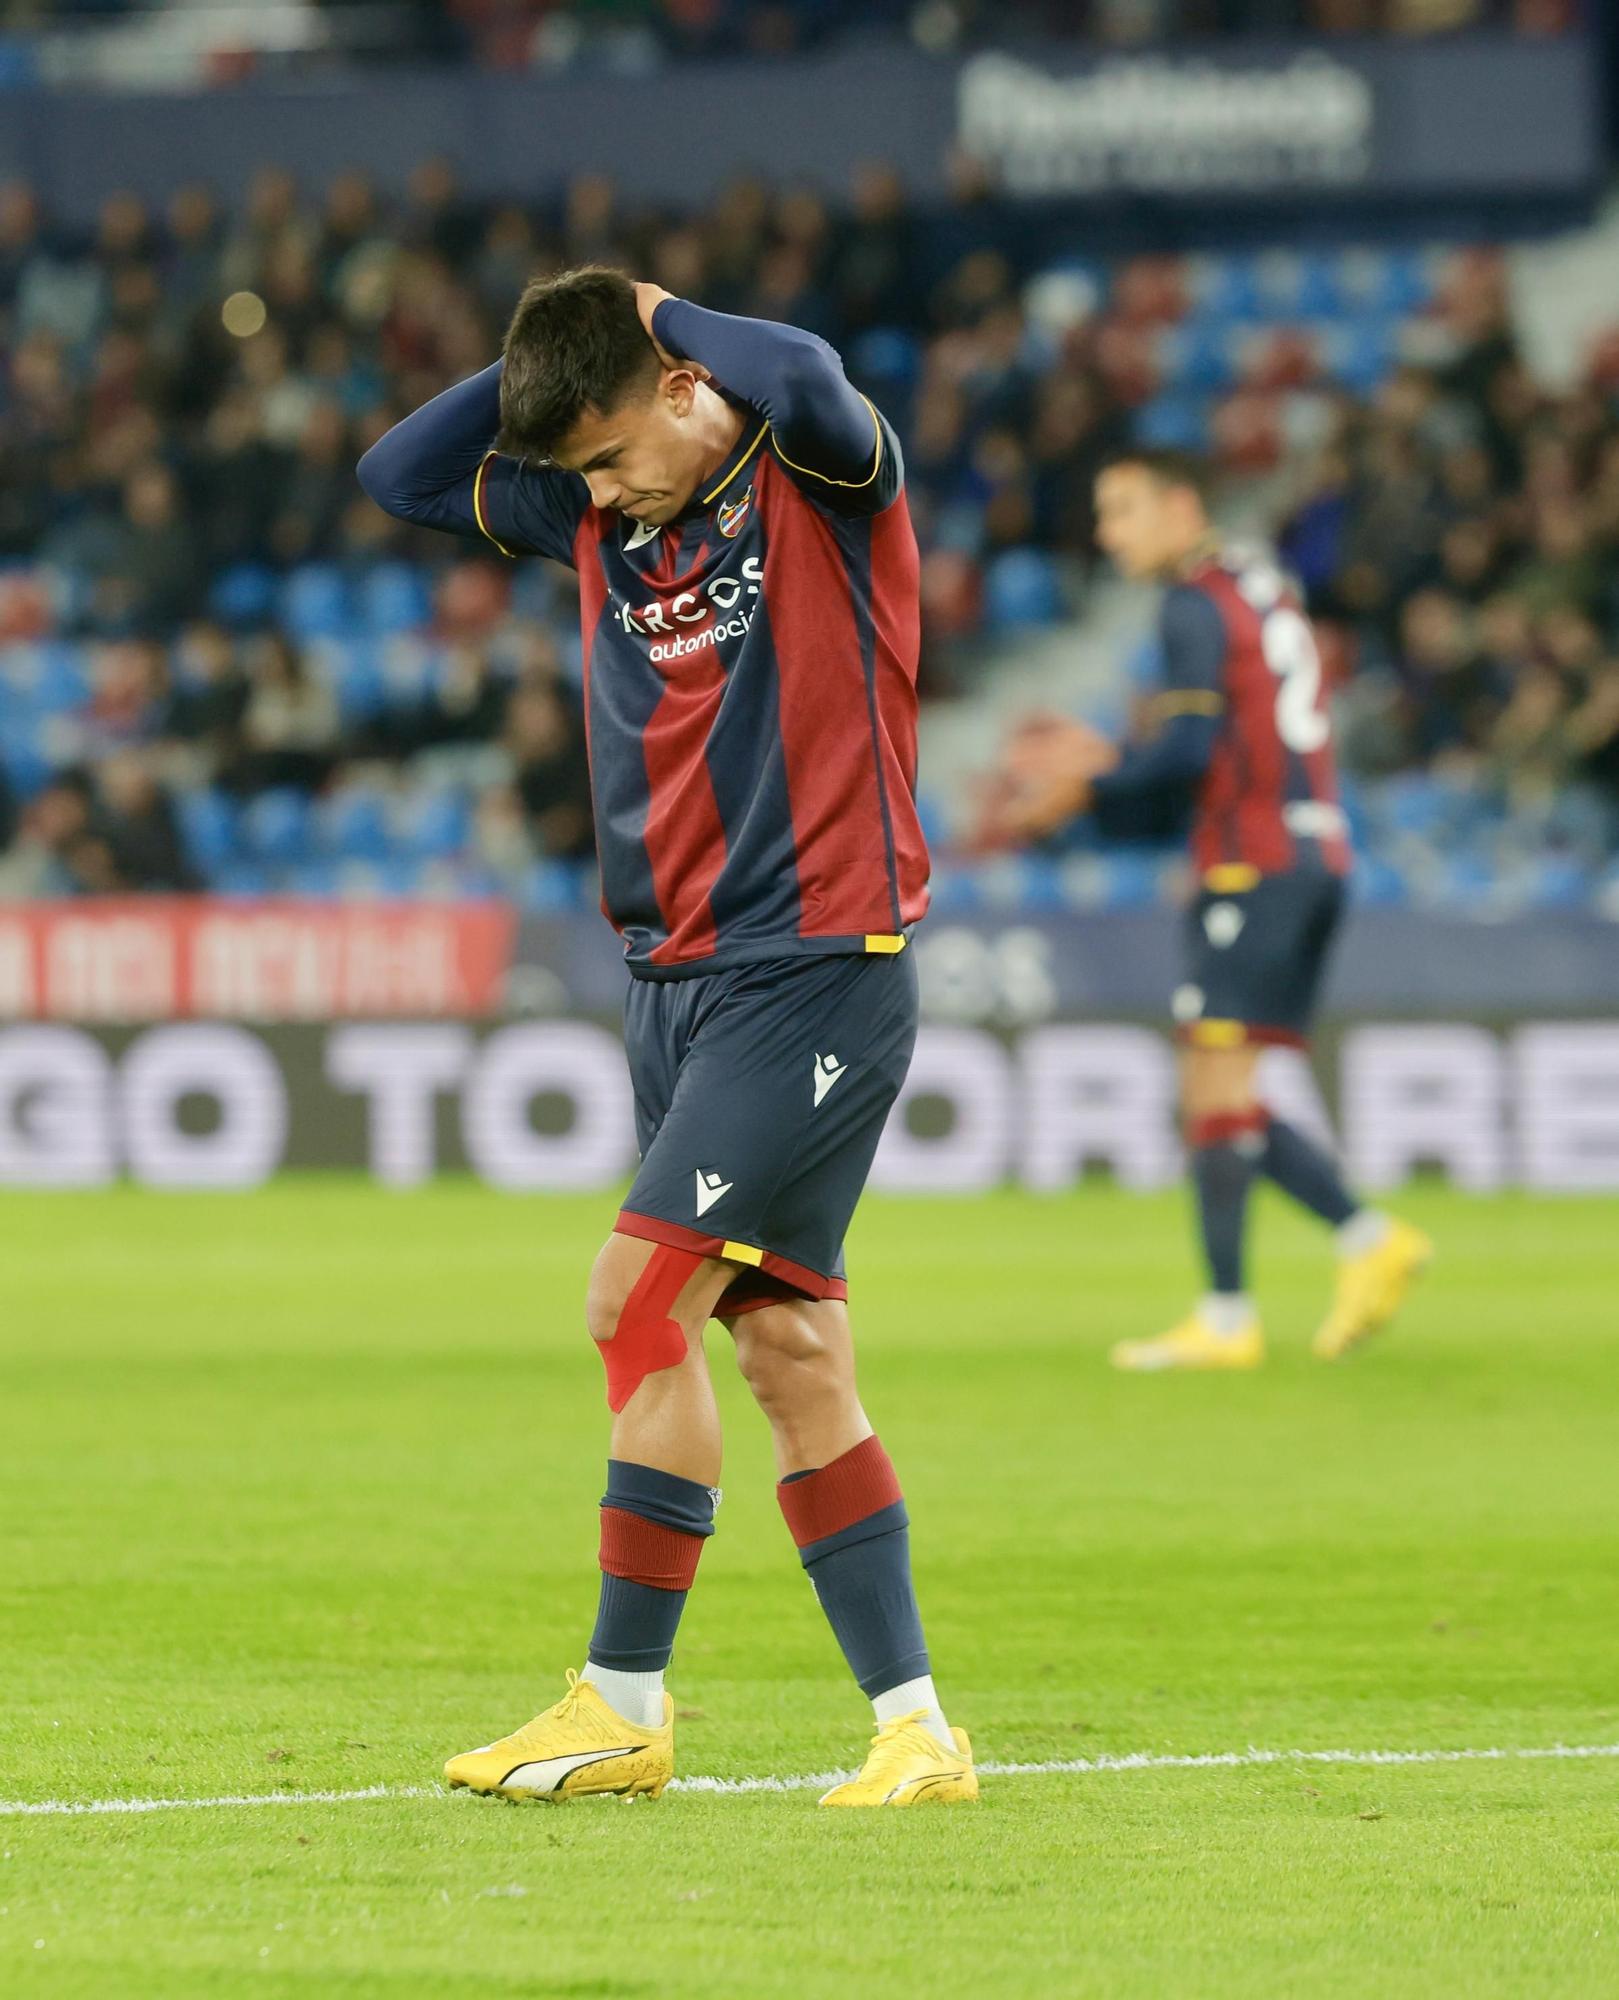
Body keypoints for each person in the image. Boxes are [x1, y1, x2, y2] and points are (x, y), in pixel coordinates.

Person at [358, 266, 974, 1807]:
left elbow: (813, 365)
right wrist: (554, 371)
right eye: (576, 467)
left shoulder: (822, 483)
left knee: (634, 1304)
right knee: (787, 1353)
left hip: (813, 965)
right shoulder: (594, 520)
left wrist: (655, 311)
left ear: (690, 391)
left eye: (614, 446)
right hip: (673, 980)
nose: (601, 484)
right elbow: (400, 475)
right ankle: (917, 1731)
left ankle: (621, 1702)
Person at [982, 449, 1431, 1372]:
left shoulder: (1191, 605)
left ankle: (1232, 1316)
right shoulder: (1256, 587)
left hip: (1255, 862)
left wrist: (1089, 784)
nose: (1109, 536)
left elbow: (1186, 752)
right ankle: (1363, 1242)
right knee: (1218, 1096)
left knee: (1214, 1089)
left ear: (1180, 505)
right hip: (1313, 851)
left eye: (1123, 511)